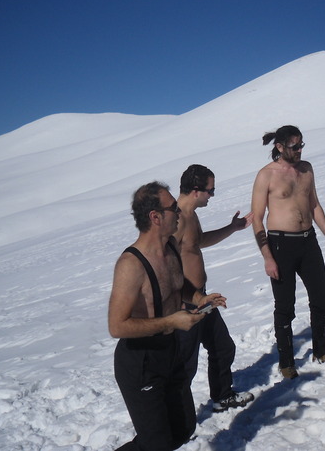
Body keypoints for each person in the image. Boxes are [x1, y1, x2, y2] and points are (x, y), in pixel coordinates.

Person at [108, 181, 226, 451]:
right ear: (155, 217)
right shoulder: (131, 265)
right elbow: (116, 326)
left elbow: (176, 283)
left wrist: (198, 298)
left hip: (170, 352)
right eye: (174, 208)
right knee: (157, 443)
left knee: (183, 428)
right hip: (141, 361)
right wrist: (171, 321)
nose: (180, 212)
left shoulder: (171, 246)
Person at [251, 125, 325, 379]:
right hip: (280, 245)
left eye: (302, 144)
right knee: (285, 306)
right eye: (295, 146)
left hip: (308, 241)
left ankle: (322, 350)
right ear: (280, 147)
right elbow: (258, 219)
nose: (300, 150)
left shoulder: (306, 169)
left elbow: (314, 204)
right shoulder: (266, 175)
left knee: (321, 297)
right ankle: (286, 362)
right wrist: (267, 256)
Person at [175, 164, 255, 412]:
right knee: (184, 365)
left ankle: (222, 396)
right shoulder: (174, 220)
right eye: (210, 191)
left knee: (222, 347)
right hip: (185, 304)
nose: (212, 195)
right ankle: (176, 419)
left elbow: (197, 243)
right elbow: (165, 267)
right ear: (196, 190)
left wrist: (232, 228)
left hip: (202, 298)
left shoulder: (191, 215)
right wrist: (184, 301)